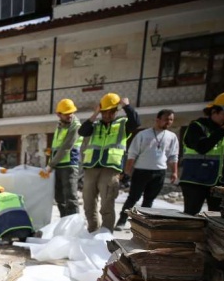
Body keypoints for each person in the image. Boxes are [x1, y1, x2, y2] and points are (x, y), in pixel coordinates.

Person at [179, 91, 224, 215]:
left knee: (219, 218)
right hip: (196, 181)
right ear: (214, 111)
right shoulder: (197, 126)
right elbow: (202, 147)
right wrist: (223, 129)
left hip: (223, 182)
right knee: (191, 216)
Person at [78, 92, 140, 232]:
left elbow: (136, 122)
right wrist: (95, 114)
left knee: (106, 204)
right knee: (88, 204)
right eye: (104, 112)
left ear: (116, 111)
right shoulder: (95, 125)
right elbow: (82, 131)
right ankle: (93, 231)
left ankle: (106, 236)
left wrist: (127, 106)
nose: (107, 115)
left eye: (111, 112)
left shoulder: (123, 124)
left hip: (110, 168)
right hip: (91, 168)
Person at [115, 109, 179, 229]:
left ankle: (142, 225)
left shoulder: (172, 137)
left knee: (149, 200)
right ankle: (122, 220)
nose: (168, 122)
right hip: (141, 171)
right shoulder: (143, 135)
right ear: (158, 119)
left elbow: (173, 156)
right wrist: (127, 171)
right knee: (133, 198)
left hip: (159, 172)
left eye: (171, 120)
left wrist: (175, 172)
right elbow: (132, 154)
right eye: (166, 119)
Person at [42, 98, 82, 217]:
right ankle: (64, 222)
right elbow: (59, 146)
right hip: (58, 165)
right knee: (59, 198)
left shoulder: (75, 126)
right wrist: (51, 153)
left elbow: (66, 147)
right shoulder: (59, 126)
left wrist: (50, 165)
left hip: (69, 166)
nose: (70, 115)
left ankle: (73, 226)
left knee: (71, 198)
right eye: (66, 114)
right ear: (58, 114)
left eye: (71, 112)